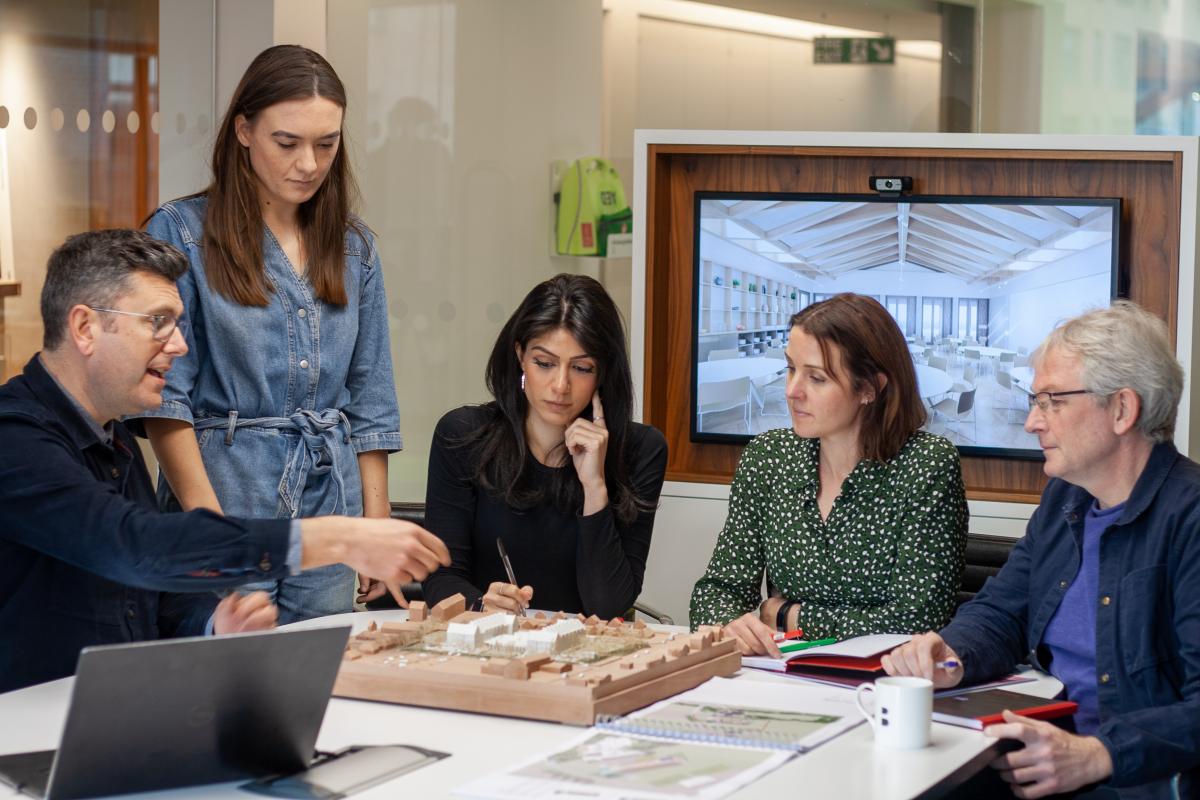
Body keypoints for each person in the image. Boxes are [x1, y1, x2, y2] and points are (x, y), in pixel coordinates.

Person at [0, 229, 450, 694]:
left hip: (107, 718)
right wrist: (337, 537)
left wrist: (215, 623)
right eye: (159, 321)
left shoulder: (112, 437)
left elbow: (154, 601)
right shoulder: (14, 437)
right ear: (85, 327)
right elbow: (135, 546)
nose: (179, 345)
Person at [882, 302, 1199, 800]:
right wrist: (953, 651)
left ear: (1122, 409)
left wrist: (1098, 755)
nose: (1032, 422)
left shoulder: (1191, 519)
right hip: (1034, 757)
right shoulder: (1065, 499)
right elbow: (1003, 610)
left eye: (1051, 401)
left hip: (1131, 779)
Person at [133, 46, 401, 623]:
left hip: (328, 506)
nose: (309, 162)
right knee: (216, 686)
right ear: (244, 131)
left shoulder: (355, 248)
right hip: (223, 496)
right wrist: (213, 537)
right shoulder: (180, 233)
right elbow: (166, 405)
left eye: (326, 144)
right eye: (288, 142)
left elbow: (372, 404)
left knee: (317, 681)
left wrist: (373, 532)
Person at [689, 293, 968, 655]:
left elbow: (918, 620)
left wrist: (790, 615)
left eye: (816, 378)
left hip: (884, 681)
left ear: (870, 388)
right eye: (791, 368)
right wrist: (730, 623)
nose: (792, 391)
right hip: (783, 677)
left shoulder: (927, 465)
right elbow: (718, 589)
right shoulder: (769, 457)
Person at [421, 274, 667, 618]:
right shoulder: (462, 435)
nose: (560, 385)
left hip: (587, 658)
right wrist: (481, 604)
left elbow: (609, 605)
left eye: (581, 368)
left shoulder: (640, 450)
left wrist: (594, 488)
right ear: (520, 355)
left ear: (603, 373)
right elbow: (441, 579)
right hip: (486, 649)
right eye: (545, 363)